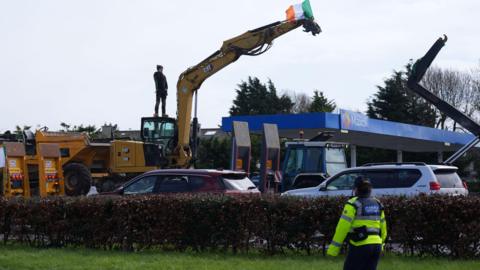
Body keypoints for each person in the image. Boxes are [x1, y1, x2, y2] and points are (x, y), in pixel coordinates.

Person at [327, 176, 387, 270]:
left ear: (355, 189)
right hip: (377, 246)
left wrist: (333, 249)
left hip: (360, 245)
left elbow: (342, 228)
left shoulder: (352, 204)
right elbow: (383, 228)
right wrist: (382, 245)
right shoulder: (378, 203)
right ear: (370, 189)